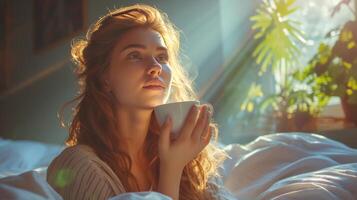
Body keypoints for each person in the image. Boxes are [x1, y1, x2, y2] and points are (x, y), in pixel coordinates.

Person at [47, 4, 232, 200]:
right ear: (105, 77)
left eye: (162, 57)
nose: (155, 67)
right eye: (134, 55)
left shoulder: (189, 157)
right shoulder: (77, 166)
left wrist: (180, 162)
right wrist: (172, 168)